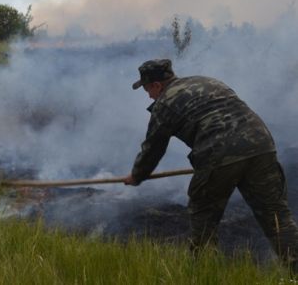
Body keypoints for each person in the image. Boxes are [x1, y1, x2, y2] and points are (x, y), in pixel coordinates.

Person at [124, 59, 298, 272]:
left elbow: (154, 147)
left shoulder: (164, 103)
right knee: (277, 216)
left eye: (147, 89)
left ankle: (205, 275)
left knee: (203, 217)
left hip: (218, 153)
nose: (149, 95)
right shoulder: (208, 81)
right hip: (261, 145)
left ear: (157, 85)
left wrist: (137, 175)